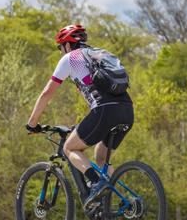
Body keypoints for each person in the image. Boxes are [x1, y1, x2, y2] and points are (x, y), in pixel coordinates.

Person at [25, 24, 134, 210]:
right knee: (100, 156)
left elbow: (46, 93)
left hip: (104, 111)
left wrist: (32, 124)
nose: (61, 52)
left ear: (67, 45)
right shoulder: (101, 53)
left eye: (61, 47)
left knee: (69, 148)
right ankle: (127, 204)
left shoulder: (71, 58)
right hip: (127, 110)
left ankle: (97, 182)